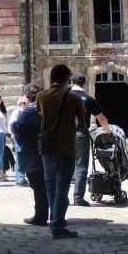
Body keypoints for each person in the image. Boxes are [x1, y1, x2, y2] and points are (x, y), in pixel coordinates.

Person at [36, 64, 86, 239]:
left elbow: (41, 116)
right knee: (63, 187)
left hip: (47, 148)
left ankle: (53, 219)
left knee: (50, 185)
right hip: (66, 146)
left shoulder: (40, 96)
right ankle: (58, 225)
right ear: (67, 78)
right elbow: (82, 125)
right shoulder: (74, 98)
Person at [70, 74, 112, 206]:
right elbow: (102, 118)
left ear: (71, 82)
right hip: (81, 134)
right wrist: (108, 132)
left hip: (65, 133)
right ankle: (78, 198)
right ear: (83, 84)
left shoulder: (65, 96)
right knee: (81, 165)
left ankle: (60, 197)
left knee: (64, 164)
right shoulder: (88, 98)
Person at [12, 84, 48, 226]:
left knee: (38, 185)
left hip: (33, 150)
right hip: (50, 149)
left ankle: (41, 216)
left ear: (27, 97)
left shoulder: (29, 112)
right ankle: (56, 215)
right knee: (50, 184)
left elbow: (17, 127)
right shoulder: (49, 109)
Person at [8, 96, 30, 186]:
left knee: (24, 157)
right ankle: (20, 179)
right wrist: (12, 133)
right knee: (20, 157)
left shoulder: (27, 111)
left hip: (26, 136)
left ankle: (21, 178)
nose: (25, 104)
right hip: (19, 137)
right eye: (23, 103)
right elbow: (11, 124)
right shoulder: (16, 112)